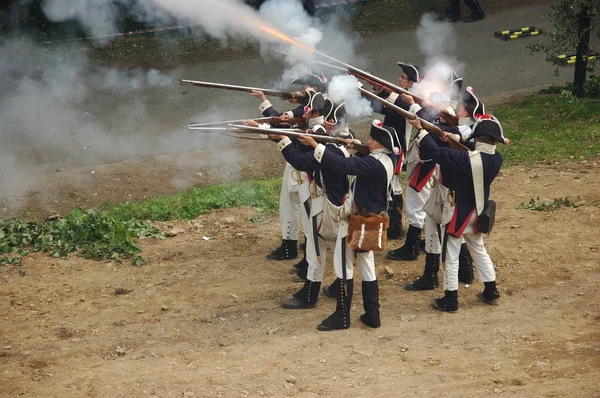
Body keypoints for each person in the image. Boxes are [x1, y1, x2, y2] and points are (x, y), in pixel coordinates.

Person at [298, 119, 399, 330]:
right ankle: (373, 314)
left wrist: (316, 146)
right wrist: (356, 146)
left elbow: (342, 165)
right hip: (371, 220)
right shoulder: (389, 158)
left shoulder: (373, 164)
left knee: (343, 267)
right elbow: (366, 155)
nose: (368, 141)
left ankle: (342, 316)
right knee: (367, 266)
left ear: (380, 144)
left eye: (372, 139)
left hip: (356, 221)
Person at [407, 114, 507, 312]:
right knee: (479, 250)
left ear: (477, 138)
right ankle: (491, 290)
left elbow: (435, 152)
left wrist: (421, 129)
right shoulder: (496, 158)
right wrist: (453, 141)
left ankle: (451, 299)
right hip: (477, 211)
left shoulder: (466, 159)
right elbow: (469, 156)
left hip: (459, 213)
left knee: (450, 255)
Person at [268, 95, 351, 309]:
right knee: (329, 250)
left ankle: (311, 295)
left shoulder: (326, 144)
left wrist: (283, 140)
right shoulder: (334, 141)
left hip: (323, 204)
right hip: (331, 202)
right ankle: (330, 287)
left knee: (316, 249)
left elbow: (301, 160)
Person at [248, 74, 327, 262]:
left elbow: (286, 129)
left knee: (309, 214)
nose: (301, 91)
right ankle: (288, 245)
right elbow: (283, 123)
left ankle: (310, 257)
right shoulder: (306, 107)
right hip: (293, 161)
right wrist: (263, 100)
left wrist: (262, 129)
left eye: (305, 88)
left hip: (306, 168)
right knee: (287, 205)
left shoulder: (317, 109)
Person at [367, 62, 423, 241]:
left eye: (403, 78)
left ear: (411, 83)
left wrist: (384, 90)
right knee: (390, 186)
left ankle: (396, 227)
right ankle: (393, 226)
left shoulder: (409, 100)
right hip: (391, 145)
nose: (399, 79)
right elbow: (381, 107)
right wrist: (375, 88)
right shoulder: (400, 97)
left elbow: (395, 104)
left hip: (398, 148)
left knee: (394, 186)